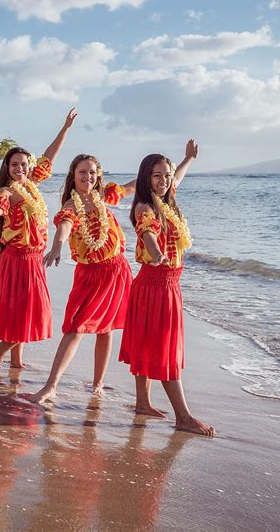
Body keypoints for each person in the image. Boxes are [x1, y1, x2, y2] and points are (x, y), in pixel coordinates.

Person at [0, 109, 77, 369]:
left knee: (23, 313)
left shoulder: (33, 183)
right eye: (14, 164)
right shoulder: (7, 191)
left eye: (24, 164)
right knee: (29, 313)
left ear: (29, 166)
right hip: (17, 259)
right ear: (8, 167)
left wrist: (65, 128)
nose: (19, 168)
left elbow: (49, 156)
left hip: (34, 259)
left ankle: (16, 360)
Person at [119, 140, 215, 436]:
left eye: (166, 175)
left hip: (168, 285)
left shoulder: (168, 198)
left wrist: (187, 160)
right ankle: (183, 416)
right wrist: (157, 253)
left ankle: (142, 403)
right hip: (155, 284)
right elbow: (147, 231)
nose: (164, 181)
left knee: (149, 344)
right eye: (157, 176)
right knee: (164, 350)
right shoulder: (145, 207)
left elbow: (179, 177)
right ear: (146, 178)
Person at [30, 154, 136, 403]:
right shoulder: (71, 206)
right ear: (73, 176)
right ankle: (51, 385)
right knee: (75, 328)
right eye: (82, 172)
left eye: (92, 172)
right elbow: (64, 226)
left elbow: (134, 186)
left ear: (98, 175)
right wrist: (57, 246)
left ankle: (98, 383)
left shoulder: (105, 196)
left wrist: (165, 171)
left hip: (117, 270)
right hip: (90, 275)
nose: (88, 177)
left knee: (106, 329)